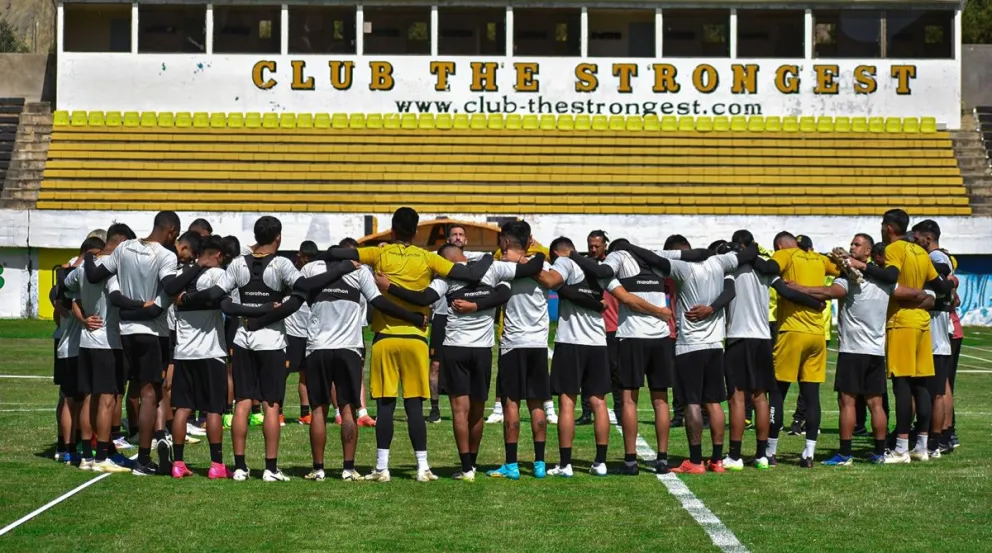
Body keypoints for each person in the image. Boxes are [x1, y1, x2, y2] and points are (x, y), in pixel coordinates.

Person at [318, 207, 493, 482]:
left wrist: (369, 253)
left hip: (385, 338)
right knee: (414, 406)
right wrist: (487, 259)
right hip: (416, 339)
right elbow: (469, 276)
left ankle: (381, 467)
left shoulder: (379, 253)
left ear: (393, 229)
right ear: (415, 232)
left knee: (385, 405)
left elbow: (334, 253)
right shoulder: (427, 257)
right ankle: (423, 467)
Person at [178, 216, 357, 482]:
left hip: (242, 339)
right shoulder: (283, 264)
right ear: (279, 237)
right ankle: (270, 469)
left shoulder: (238, 263)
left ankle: (239, 467)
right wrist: (341, 269)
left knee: (242, 403)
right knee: (271, 405)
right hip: (271, 341)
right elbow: (303, 291)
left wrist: (247, 315)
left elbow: (222, 301)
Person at [380, 242, 544, 481]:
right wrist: (535, 255)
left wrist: (390, 287)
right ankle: (473, 464)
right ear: (463, 255)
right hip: (482, 350)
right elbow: (509, 289)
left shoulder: (446, 278)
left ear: (444, 261)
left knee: (460, 410)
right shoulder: (494, 268)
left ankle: (466, 468)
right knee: (477, 411)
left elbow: (422, 298)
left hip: (455, 348)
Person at [300, 242, 426, 482]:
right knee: (347, 409)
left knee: (318, 410)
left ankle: (318, 469)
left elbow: (302, 292)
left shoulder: (311, 268)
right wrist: (413, 317)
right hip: (349, 349)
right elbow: (379, 302)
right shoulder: (358, 272)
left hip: (318, 348)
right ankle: (348, 469)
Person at [844, 209, 953, 463]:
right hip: (922, 323)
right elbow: (940, 286)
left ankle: (902, 448)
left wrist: (864, 266)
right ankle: (923, 447)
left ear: (889, 228)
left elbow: (891, 276)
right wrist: (950, 283)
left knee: (902, 385)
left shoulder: (895, 249)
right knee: (921, 386)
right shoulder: (919, 251)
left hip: (902, 320)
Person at [83, 211, 182, 476]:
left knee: (118, 392)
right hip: (153, 332)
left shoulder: (124, 248)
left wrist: (91, 256)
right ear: (171, 231)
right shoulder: (166, 256)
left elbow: (95, 277)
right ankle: (144, 458)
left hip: (123, 331)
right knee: (151, 394)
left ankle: (101, 449)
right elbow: (166, 294)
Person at [723, 230, 823, 471]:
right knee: (760, 398)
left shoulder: (730, 266)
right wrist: (816, 303)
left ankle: (735, 456)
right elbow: (788, 293)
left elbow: (725, 294)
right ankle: (762, 455)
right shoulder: (767, 269)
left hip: (739, 335)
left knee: (737, 398)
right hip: (763, 337)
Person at [478, 222, 563, 479]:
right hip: (537, 343)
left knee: (511, 403)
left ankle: (512, 465)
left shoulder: (503, 267)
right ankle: (539, 464)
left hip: (513, 343)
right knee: (537, 403)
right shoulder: (542, 265)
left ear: (504, 242)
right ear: (529, 241)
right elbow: (551, 279)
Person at [759, 232, 839, 468]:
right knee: (811, 395)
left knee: (777, 392)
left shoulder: (784, 254)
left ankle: (770, 451)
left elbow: (769, 267)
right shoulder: (818, 258)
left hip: (792, 331)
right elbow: (841, 272)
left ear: (779, 246)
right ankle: (809, 453)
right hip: (817, 333)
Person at [535, 237, 612, 477]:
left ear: (558, 253)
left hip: (570, 342)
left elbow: (551, 281)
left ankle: (565, 464)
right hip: (597, 342)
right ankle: (600, 462)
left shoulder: (566, 264)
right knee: (599, 402)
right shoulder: (596, 268)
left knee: (567, 401)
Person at [167, 236, 233, 479]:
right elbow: (220, 298)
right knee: (214, 410)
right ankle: (216, 465)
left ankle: (178, 463)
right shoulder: (217, 275)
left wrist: (185, 299)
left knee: (182, 408)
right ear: (217, 255)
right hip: (211, 352)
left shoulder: (181, 274)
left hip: (184, 353)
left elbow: (172, 292)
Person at [912, 220, 955, 456]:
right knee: (940, 389)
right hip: (939, 332)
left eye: (917, 238)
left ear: (927, 239)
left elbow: (942, 278)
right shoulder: (940, 256)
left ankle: (934, 439)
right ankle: (938, 438)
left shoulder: (937, 257)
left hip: (934, 331)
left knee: (935, 391)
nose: (915, 243)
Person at [338, 237, 377, 428]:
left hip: (357, 329)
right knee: (336, 371)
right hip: (337, 330)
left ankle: (362, 410)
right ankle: (339, 411)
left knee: (358, 369)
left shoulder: (363, 272)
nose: (357, 260)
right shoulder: (335, 273)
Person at [284, 240, 319, 426]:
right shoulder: (290, 274)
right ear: (299, 256)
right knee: (283, 373)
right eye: (306, 259)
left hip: (310, 332)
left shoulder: (315, 275)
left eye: (311, 259)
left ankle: (305, 413)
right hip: (291, 332)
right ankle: (278, 412)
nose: (308, 263)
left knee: (307, 375)